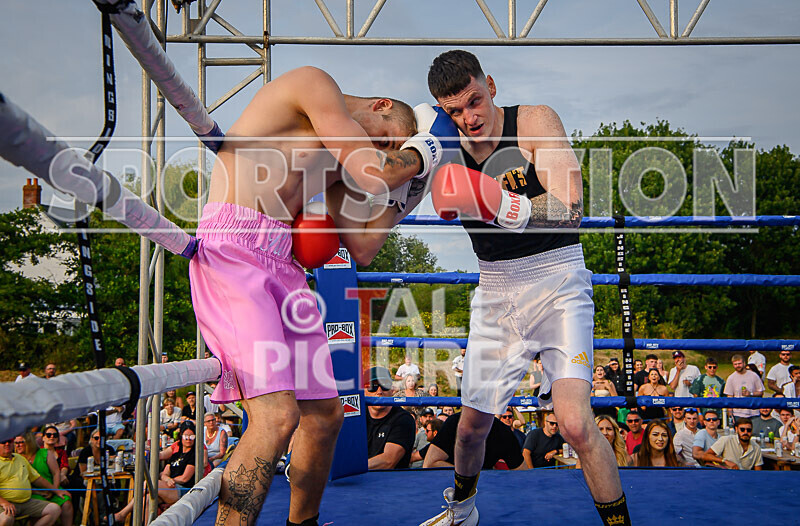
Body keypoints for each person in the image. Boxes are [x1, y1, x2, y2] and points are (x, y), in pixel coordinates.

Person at [191, 65, 457, 526]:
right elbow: (375, 174)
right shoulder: (313, 85)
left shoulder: (339, 163)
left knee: (325, 415)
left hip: (283, 266)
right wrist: (424, 152)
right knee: (276, 418)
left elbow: (363, 245)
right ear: (380, 106)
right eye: (391, 140)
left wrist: (409, 196)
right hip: (233, 249)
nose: (387, 151)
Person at [420, 49, 629, 526]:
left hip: (558, 277)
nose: (468, 118)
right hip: (496, 287)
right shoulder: (439, 143)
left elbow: (571, 206)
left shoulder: (533, 120)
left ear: (490, 85)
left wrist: (501, 203)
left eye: (474, 101)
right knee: (471, 429)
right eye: (454, 110)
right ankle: (463, 510)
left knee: (575, 422)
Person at [0, 437, 69, 526]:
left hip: (26, 502)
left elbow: (37, 479)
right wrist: (4, 503)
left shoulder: (20, 458)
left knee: (54, 509)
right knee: (6, 519)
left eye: (9, 441)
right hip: (4, 503)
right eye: (3, 442)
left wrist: (56, 490)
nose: (7, 444)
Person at [423, 412, 525, 471]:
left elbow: (522, 473)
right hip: (449, 488)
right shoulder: (453, 423)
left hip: (483, 490)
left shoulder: (502, 432)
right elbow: (430, 464)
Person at [16, 431, 73, 525]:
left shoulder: (45, 453)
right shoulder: (17, 458)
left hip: (52, 487)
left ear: (29, 442)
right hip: (32, 492)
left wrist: (55, 489)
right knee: (39, 508)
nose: (17, 446)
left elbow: (56, 472)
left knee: (66, 502)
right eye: (16, 443)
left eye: (21, 442)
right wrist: (39, 492)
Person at [365, 367, 417, 469]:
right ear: (363, 391)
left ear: (392, 389)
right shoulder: (356, 418)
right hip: (358, 480)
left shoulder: (403, 419)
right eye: (373, 386)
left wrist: (352, 468)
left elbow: (388, 461)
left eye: (384, 385)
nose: (379, 391)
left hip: (392, 482)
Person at [158, 424, 200, 507]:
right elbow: (164, 474)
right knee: (147, 499)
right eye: (185, 436)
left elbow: (184, 478)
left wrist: (171, 480)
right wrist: (167, 480)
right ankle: (127, 515)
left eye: (192, 436)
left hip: (183, 490)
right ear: (181, 437)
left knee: (149, 484)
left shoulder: (194, 455)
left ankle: (124, 513)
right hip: (170, 486)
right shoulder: (175, 455)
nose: (188, 439)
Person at [724, 354, 764, 419]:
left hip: (754, 413)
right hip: (738, 413)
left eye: (739, 363)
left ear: (744, 363)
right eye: (735, 364)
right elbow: (729, 398)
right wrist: (730, 415)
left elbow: (761, 392)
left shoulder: (754, 375)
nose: (737, 366)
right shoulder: (731, 378)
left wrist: (750, 394)